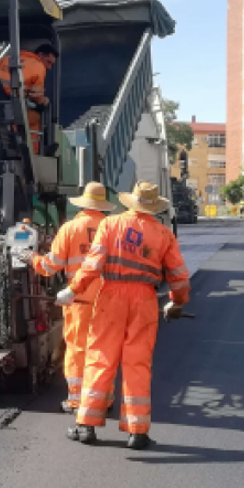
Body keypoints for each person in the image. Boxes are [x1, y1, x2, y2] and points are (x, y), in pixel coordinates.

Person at [56, 181, 190, 450]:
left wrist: (72, 290)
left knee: (100, 358)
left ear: (131, 201)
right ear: (154, 207)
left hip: (111, 297)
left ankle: (86, 427)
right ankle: (137, 432)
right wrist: (175, 304)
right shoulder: (163, 234)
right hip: (145, 301)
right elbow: (179, 277)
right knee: (137, 365)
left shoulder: (110, 225)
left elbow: (92, 264)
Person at [20, 182, 113, 414]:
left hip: (79, 300)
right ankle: (104, 399)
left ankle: (76, 400)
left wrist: (30, 257)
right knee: (104, 350)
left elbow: (50, 267)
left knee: (77, 349)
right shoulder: (113, 227)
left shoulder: (70, 229)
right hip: (110, 301)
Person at [0, 43, 58, 153]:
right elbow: (37, 97)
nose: (49, 67)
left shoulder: (4, 60)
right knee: (36, 117)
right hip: (13, 108)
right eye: (48, 62)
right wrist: (45, 101)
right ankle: (33, 151)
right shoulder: (38, 66)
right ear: (40, 55)